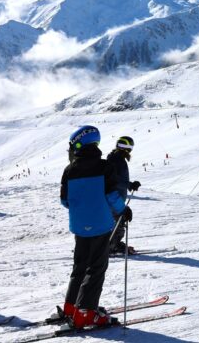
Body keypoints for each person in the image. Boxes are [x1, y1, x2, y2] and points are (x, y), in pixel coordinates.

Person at [60, 126, 130, 329]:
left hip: (79, 226)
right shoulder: (104, 166)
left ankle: (71, 306)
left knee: (80, 266)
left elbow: (65, 201)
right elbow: (111, 195)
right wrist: (123, 210)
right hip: (100, 224)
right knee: (97, 267)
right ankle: (86, 313)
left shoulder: (69, 170)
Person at [106, 136, 141, 255]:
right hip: (114, 197)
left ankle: (111, 244)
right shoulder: (117, 160)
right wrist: (129, 184)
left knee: (117, 222)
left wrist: (129, 185)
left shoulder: (116, 158)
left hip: (115, 196)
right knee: (119, 223)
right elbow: (115, 179)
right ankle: (112, 246)